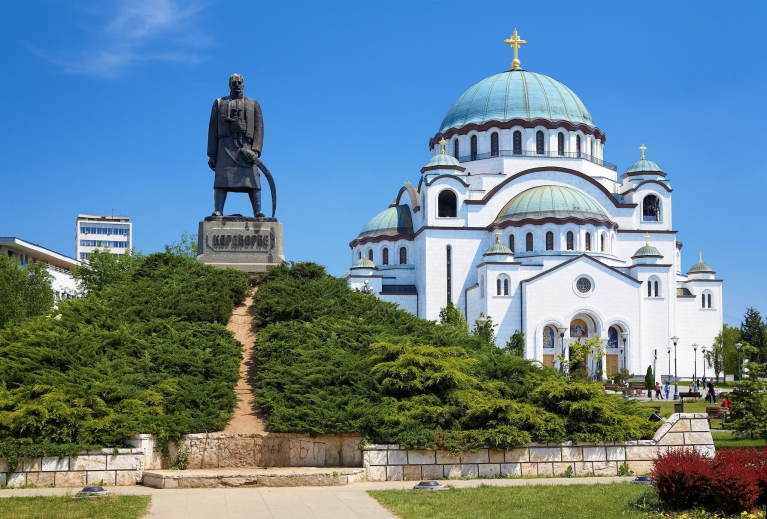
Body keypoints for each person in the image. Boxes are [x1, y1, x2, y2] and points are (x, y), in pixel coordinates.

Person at [207, 73, 265, 217]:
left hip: (246, 148)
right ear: (230, 85)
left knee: (253, 180)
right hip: (225, 147)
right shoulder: (220, 103)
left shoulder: (253, 104)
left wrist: (255, 151)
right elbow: (212, 129)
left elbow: (259, 129)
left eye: (239, 82)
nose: (237, 85)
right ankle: (218, 210)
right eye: (234, 82)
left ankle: (258, 211)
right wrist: (212, 154)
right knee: (221, 179)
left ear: (243, 84)